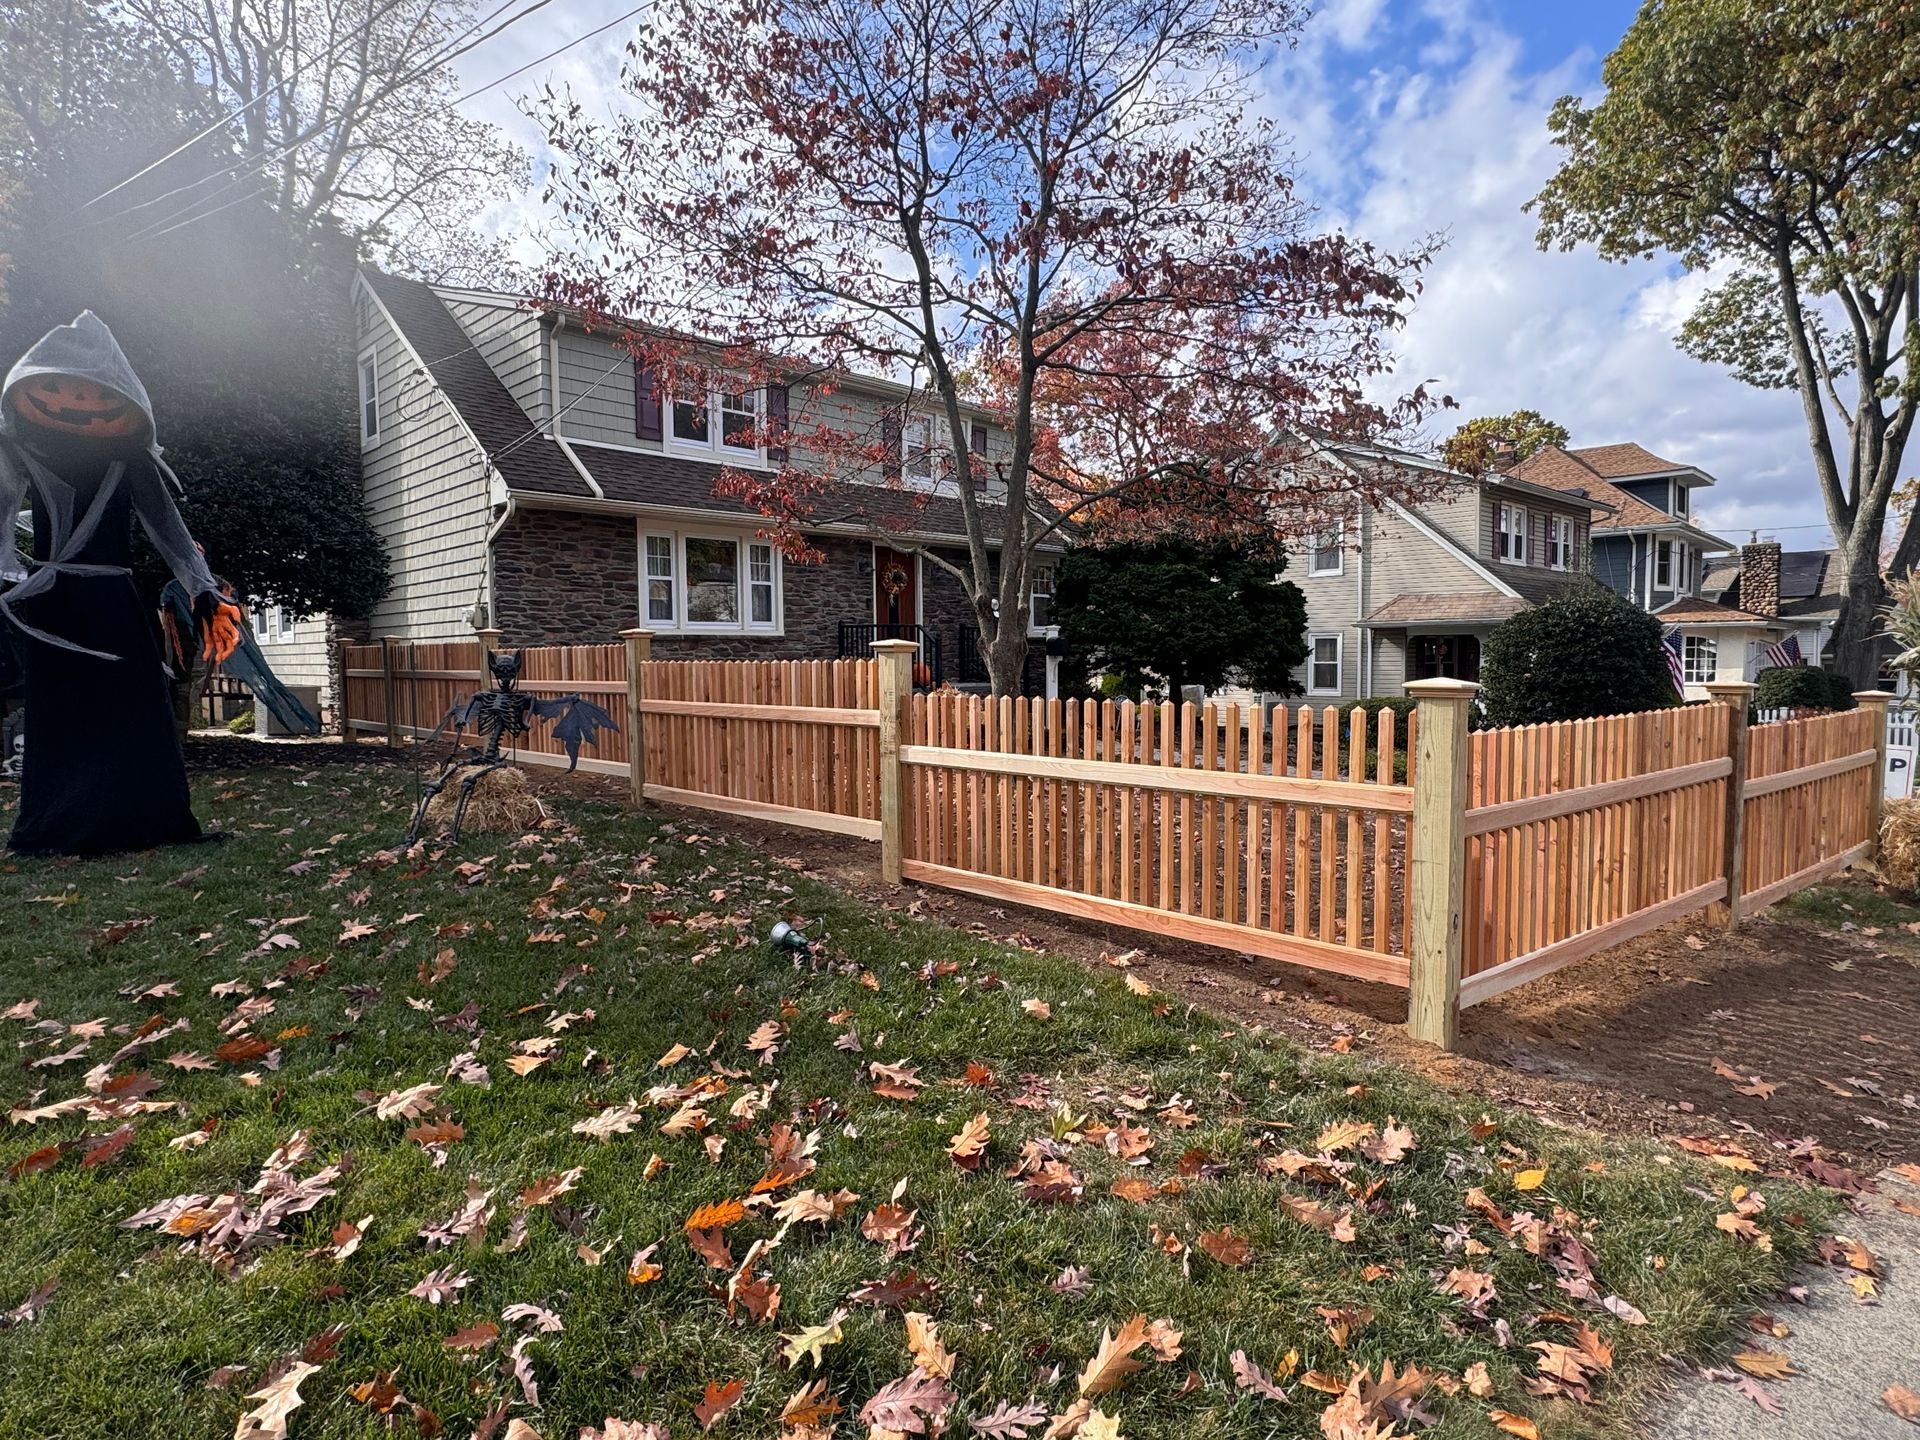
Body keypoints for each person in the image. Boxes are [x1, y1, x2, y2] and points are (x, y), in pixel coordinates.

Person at [0, 310, 242, 854]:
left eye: (91, 391)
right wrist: (7, 581)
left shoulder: (131, 459)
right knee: (62, 709)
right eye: (59, 387)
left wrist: (203, 589)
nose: (75, 401)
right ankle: (59, 827)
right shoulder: (19, 451)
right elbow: (0, 514)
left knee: (136, 703)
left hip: (112, 598)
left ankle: (147, 820)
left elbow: (169, 530)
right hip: (50, 602)